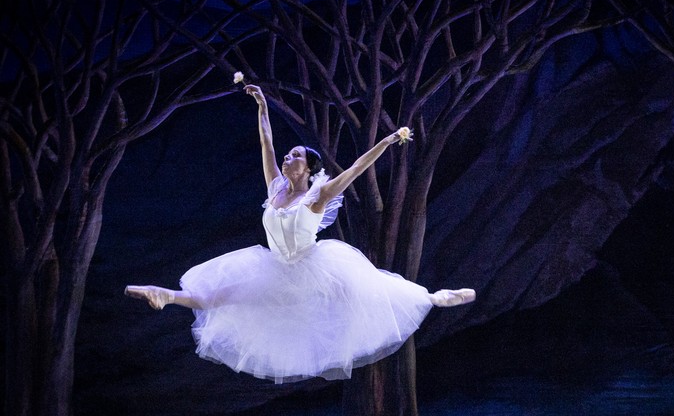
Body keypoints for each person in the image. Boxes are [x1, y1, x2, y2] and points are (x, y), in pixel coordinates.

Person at [125, 83, 474, 384]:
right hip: (274, 268)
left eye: (295, 156)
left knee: (370, 290)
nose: (288, 159)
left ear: (308, 169)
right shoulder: (275, 187)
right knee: (218, 295)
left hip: (314, 267)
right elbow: (266, 142)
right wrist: (262, 106)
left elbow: (355, 168)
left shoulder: (317, 195)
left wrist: (387, 141)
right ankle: (164, 294)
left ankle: (432, 297)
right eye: (288, 156)